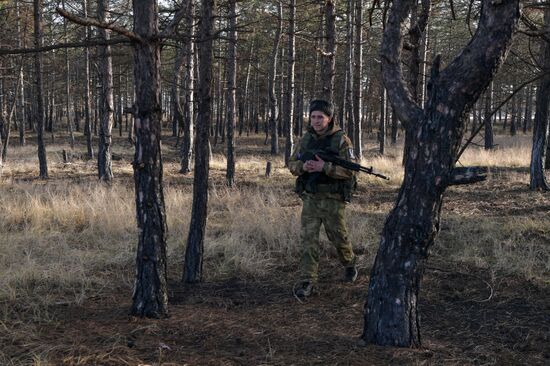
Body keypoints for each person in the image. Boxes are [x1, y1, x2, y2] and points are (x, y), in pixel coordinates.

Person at [289, 99, 358, 298]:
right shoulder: (306, 139)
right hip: (311, 198)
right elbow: (292, 164)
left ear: (329, 119)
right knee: (308, 240)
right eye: (313, 117)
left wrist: (324, 168)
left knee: (338, 237)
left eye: (321, 117)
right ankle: (307, 280)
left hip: (333, 200)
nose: (317, 121)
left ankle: (349, 263)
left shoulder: (342, 140)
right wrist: (303, 167)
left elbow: (350, 171)